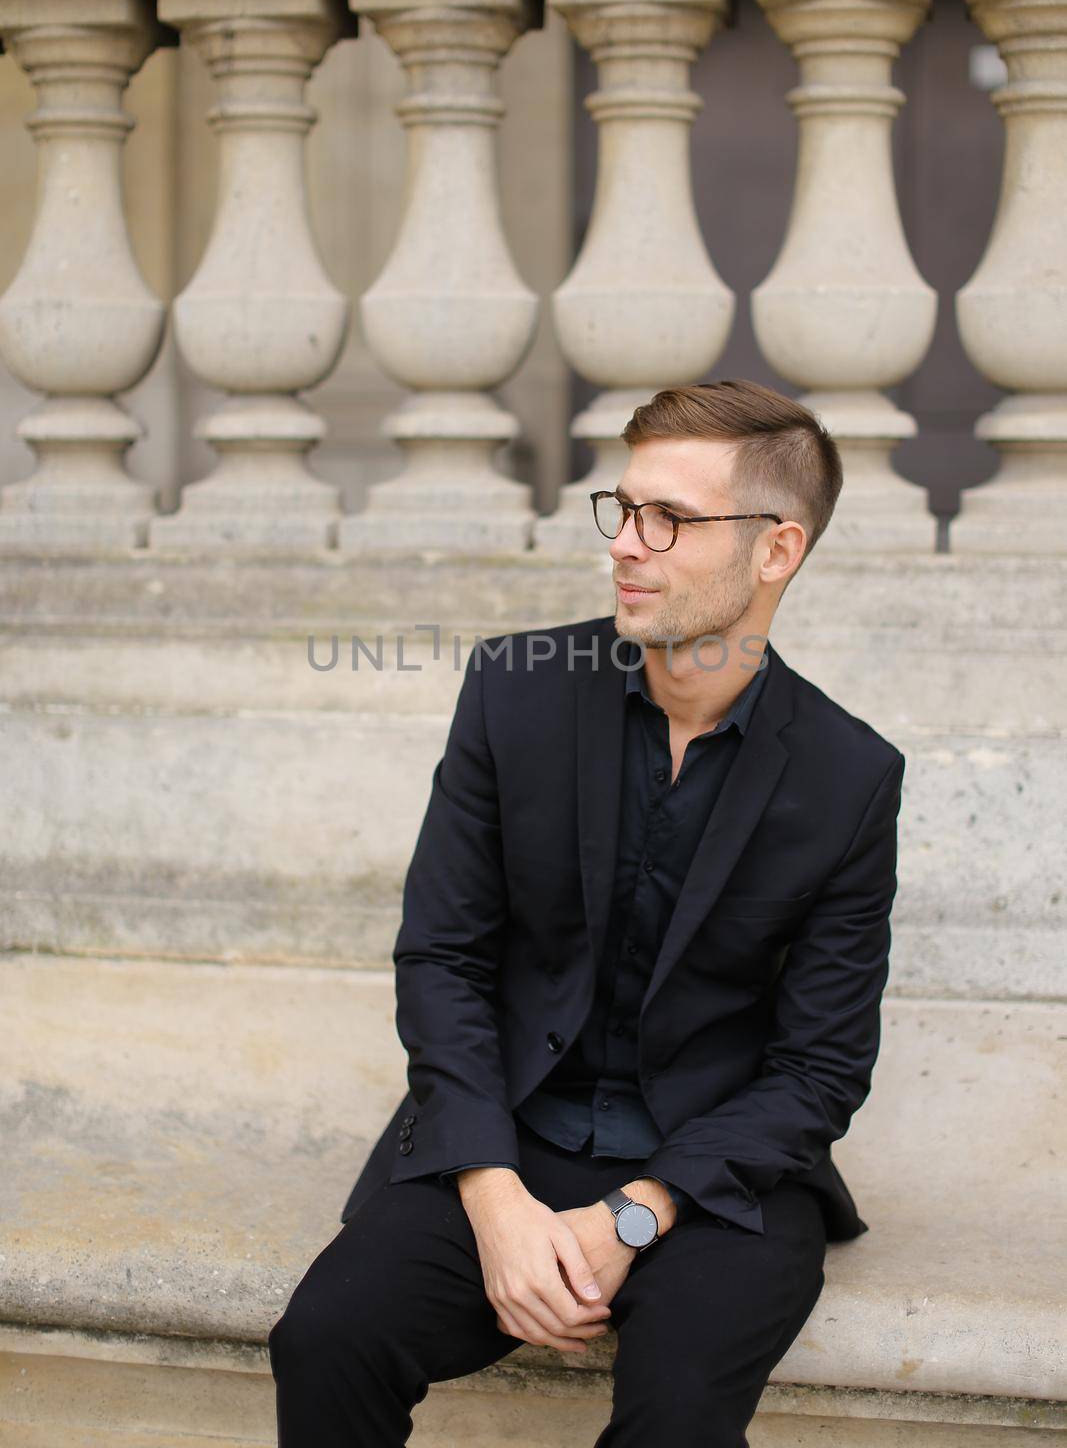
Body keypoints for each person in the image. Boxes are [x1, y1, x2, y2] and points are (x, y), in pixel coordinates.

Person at [268, 378, 907, 1446]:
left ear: (775, 551)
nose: (625, 543)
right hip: (506, 1128)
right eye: (622, 508)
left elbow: (819, 1068)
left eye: (670, 519)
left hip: (713, 1175)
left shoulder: (847, 775)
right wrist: (492, 1193)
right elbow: (442, 960)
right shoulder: (513, 689)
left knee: (676, 1419)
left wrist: (638, 1210)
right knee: (326, 1337)